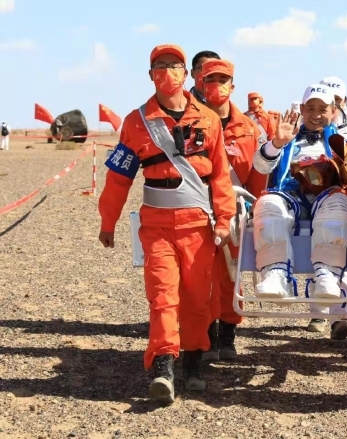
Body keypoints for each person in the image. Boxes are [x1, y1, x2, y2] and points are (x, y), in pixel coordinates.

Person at [97, 44, 236, 405]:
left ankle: (193, 362)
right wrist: (108, 221)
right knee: (163, 296)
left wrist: (224, 220)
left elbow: (220, 177)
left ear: (186, 74)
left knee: (197, 298)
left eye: (174, 65)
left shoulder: (208, 120)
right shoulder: (136, 122)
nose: (168, 72)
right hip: (156, 225)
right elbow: (118, 178)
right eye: (160, 66)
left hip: (199, 226)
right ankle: (163, 366)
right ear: (150, 75)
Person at [251, 83, 347, 340]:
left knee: (340, 204)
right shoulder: (287, 136)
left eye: (322, 109)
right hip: (289, 196)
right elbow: (261, 167)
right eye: (310, 108)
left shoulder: (343, 141)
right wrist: (277, 143)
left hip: (327, 197)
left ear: (334, 111)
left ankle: (328, 275)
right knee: (267, 204)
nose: (316, 114)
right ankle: (276, 273)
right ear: (301, 109)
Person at [193, 58, 268, 362]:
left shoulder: (250, 129)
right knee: (202, 276)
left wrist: (256, 209)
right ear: (200, 84)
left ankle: (227, 335)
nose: (217, 86)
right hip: (199, 209)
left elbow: (259, 175)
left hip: (236, 212)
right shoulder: (190, 123)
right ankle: (206, 335)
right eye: (210, 80)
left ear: (232, 86)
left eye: (223, 80)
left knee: (230, 276)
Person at [319, 76, 347, 140]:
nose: (333, 103)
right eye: (327, 98)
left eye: (337, 99)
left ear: (345, 101)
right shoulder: (305, 129)